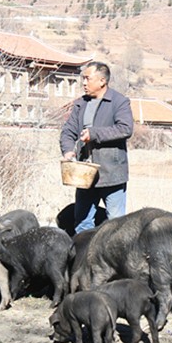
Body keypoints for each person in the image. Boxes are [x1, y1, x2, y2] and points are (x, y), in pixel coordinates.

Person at [60, 61, 134, 234]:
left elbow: (125, 128)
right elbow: (68, 131)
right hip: (85, 175)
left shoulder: (119, 102)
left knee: (116, 225)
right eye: (83, 79)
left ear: (102, 81)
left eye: (88, 78)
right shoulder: (81, 104)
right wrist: (68, 150)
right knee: (82, 223)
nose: (84, 83)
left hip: (112, 174)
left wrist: (93, 134)